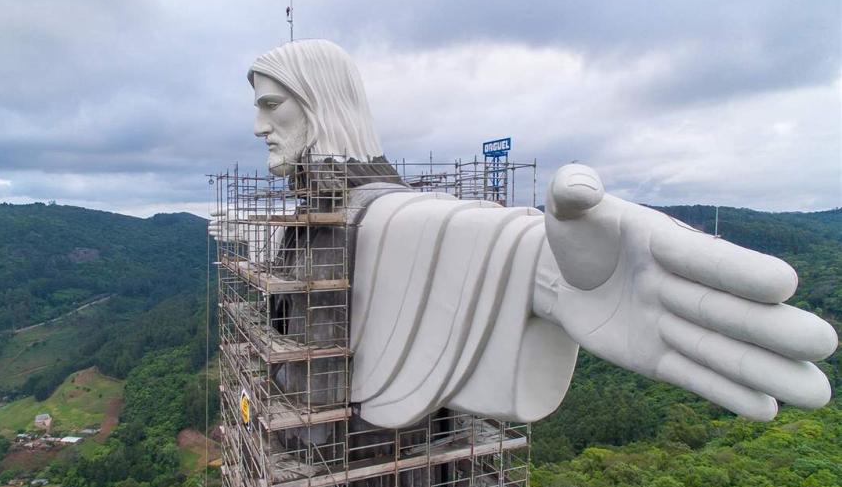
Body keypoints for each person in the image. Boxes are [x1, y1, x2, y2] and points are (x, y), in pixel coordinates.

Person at [235, 38, 836, 430]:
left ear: (321, 105)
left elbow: (455, 231)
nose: (259, 126)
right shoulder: (309, 220)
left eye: (272, 105)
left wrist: (546, 270)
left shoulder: (376, 212)